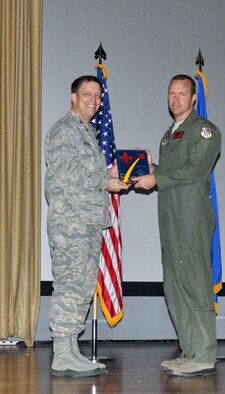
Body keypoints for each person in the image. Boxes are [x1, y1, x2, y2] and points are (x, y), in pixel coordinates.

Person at [134, 74, 221, 377]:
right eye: (171, 94)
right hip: (171, 220)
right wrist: (149, 166)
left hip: (192, 219)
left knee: (195, 284)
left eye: (182, 94)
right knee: (174, 285)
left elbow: (195, 171)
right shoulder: (168, 135)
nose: (175, 99)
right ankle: (190, 351)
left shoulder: (204, 131)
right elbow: (172, 172)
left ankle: (205, 354)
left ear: (193, 98)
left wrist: (156, 177)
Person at [44, 75, 129, 378]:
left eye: (97, 96)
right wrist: (106, 181)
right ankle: (62, 353)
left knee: (81, 288)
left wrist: (119, 172)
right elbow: (67, 172)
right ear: (73, 97)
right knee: (69, 287)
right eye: (87, 94)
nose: (93, 100)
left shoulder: (87, 133)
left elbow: (90, 174)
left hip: (88, 223)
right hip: (71, 224)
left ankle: (70, 350)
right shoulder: (64, 131)